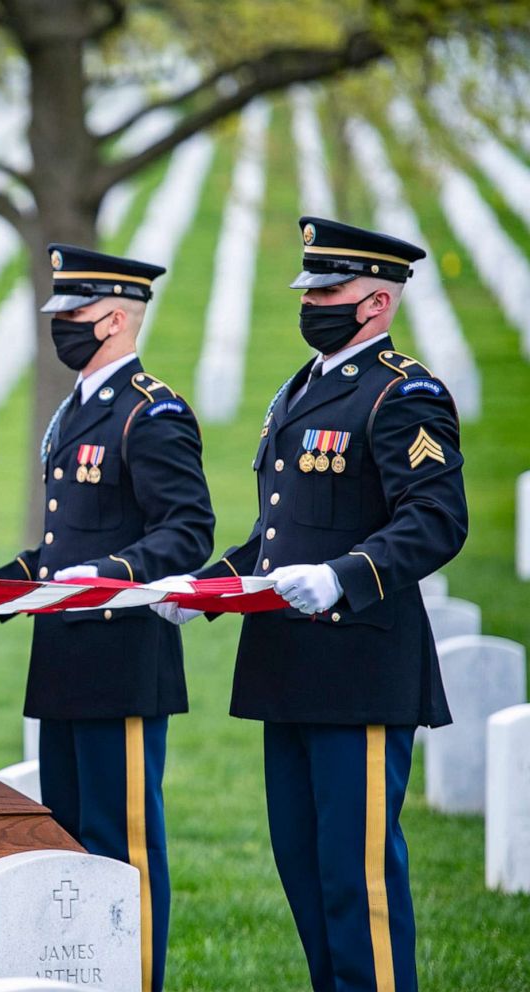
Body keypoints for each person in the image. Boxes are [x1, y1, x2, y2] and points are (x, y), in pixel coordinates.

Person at [155, 217, 468, 992]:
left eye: (330, 290)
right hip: (287, 667)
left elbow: (435, 518)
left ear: (378, 303)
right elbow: (275, 534)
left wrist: (346, 572)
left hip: (356, 665)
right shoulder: (300, 389)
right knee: (302, 870)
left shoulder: (404, 394)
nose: (313, 302)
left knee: (353, 882)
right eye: (311, 289)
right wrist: (209, 589)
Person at [0, 244, 215, 992]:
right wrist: (13, 579)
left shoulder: (150, 411)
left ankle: (138, 979)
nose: (62, 326)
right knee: (69, 842)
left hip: (122, 660)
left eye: (75, 314)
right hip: (64, 657)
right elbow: (70, 536)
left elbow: (187, 529)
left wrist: (109, 575)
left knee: (123, 850)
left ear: (115, 318)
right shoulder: (78, 408)